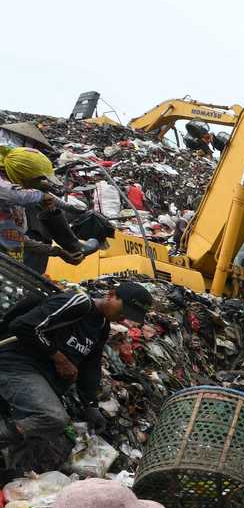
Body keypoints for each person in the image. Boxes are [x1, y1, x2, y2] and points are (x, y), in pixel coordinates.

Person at [0, 282, 153, 450]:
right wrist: (59, 357)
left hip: (40, 378)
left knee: (42, 434)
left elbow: (90, 367)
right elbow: (23, 326)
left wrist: (91, 406)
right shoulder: (79, 303)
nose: (123, 318)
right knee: (53, 417)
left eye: (128, 315)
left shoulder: (102, 327)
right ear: (111, 294)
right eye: (123, 311)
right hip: (17, 365)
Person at [0, 146, 98, 270]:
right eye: (38, 179)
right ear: (22, 176)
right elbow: (16, 238)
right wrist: (58, 252)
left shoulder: (15, 183)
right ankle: (73, 245)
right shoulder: (9, 195)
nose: (40, 183)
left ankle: (73, 245)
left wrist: (46, 193)